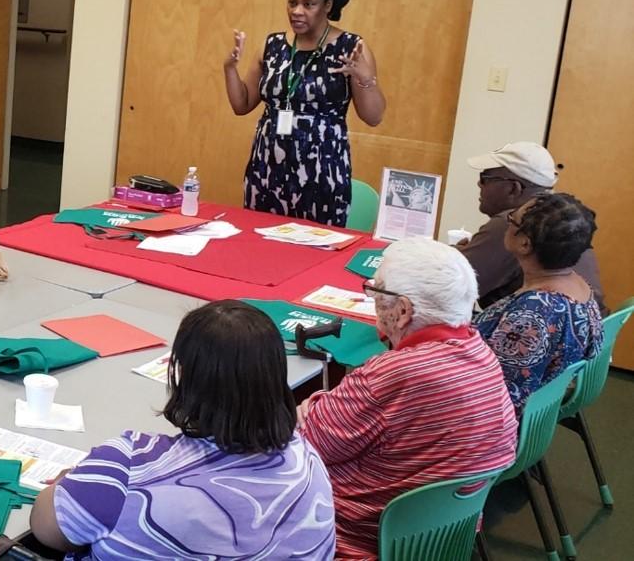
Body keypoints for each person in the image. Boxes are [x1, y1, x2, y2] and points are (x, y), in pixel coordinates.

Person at [31, 300, 336, 560]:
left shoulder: (128, 466)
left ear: (185, 376)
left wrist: (76, 484)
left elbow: (46, 530)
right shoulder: (308, 460)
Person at [299, 238, 516, 560]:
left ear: (402, 311)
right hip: (442, 537)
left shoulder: (392, 374)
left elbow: (305, 443)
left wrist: (313, 403)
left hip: (357, 538)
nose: (372, 299)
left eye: (377, 291)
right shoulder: (481, 353)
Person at [225, 0, 388, 227]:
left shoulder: (351, 47)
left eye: (308, 4)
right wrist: (229, 68)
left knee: (314, 249)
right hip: (267, 166)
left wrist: (365, 78)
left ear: (327, 5)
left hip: (321, 169)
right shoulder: (273, 45)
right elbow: (241, 104)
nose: (296, 11)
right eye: (292, 3)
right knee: (260, 245)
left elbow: (374, 117)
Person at [472, 193, 603, 411]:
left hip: (493, 423)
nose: (508, 220)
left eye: (512, 219)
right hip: (540, 405)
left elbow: (495, 394)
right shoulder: (577, 284)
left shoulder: (532, 315)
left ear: (524, 244)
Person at [459, 141, 604, 310]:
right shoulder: (563, 221)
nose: (479, 184)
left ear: (514, 188)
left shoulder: (516, 223)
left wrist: (452, 256)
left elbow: (448, 287)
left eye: (485, 178)